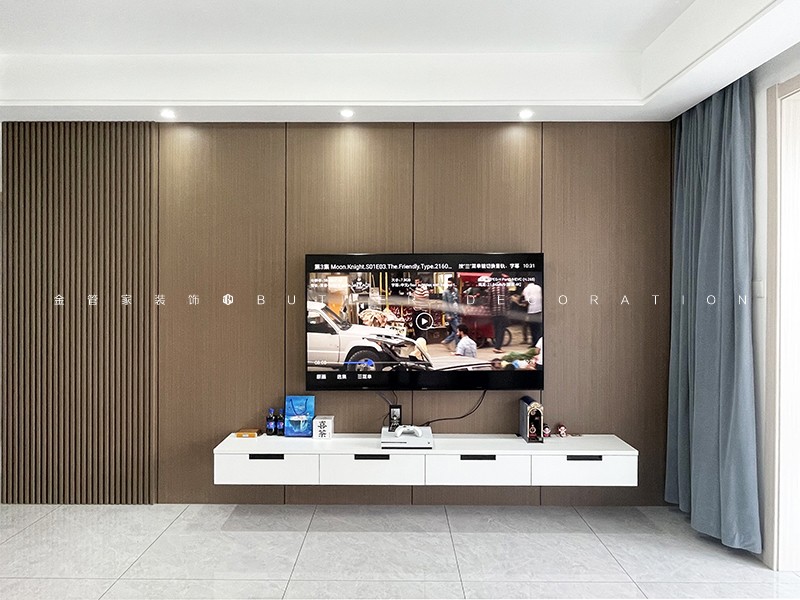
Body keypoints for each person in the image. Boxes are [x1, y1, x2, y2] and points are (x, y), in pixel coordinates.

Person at [487, 272, 509, 353]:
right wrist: (507, 310)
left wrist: (490, 310)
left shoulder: (491, 288)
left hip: (494, 313)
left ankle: (496, 345)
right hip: (502, 312)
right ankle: (498, 347)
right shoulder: (504, 287)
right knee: (501, 330)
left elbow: (489, 301)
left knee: (496, 330)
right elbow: (507, 300)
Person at [522, 278, 543, 348]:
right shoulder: (538, 287)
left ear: (525, 282)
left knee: (532, 328)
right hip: (539, 309)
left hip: (531, 310)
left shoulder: (526, 289)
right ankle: (539, 344)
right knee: (538, 328)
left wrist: (523, 304)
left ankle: (534, 343)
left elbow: (527, 301)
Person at [441, 277, 460, 346]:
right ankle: (457, 345)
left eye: (450, 283)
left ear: (453, 283)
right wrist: (447, 315)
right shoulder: (445, 292)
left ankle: (446, 341)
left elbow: (458, 301)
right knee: (457, 330)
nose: (449, 284)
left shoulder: (456, 291)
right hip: (451, 314)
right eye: (448, 283)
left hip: (457, 313)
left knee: (456, 330)